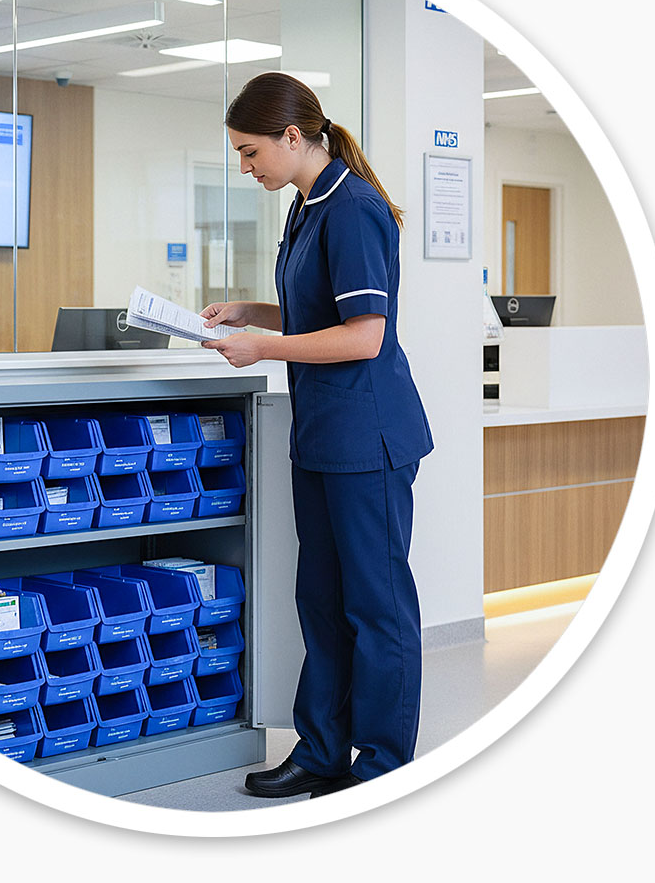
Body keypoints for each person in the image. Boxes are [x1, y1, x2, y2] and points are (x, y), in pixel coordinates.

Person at [200, 72, 434, 798]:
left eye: (249, 152)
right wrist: (257, 313)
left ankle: (383, 767)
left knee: (376, 607)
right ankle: (324, 751)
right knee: (323, 604)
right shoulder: (306, 206)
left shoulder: (353, 208)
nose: (246, 168)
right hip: (325, 439)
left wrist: (265, 350)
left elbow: (365, 337)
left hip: (370, 440)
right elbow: (320, 312)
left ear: (292, 137)